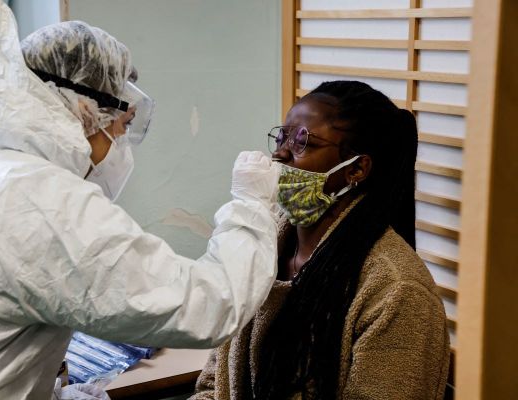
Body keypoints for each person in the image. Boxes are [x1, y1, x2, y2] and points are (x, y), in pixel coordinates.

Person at [0, 1, 281, 399]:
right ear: (87, 110)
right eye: (124, 126)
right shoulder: (46, 202)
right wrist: (250, 204)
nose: (122, 144)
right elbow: (210, 305)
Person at [192, 81, 450, 400]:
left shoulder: (397, 294)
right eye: (282, 136)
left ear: (356, 169)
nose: (279, 153)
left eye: (303, 143)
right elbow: (214, 384)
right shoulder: (260, 251)